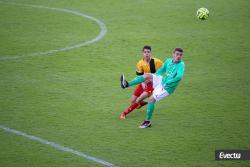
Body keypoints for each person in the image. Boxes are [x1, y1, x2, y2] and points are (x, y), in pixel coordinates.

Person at [120, 48, 185, 128]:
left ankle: (147, 122)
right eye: (177, 54)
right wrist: (153, 77)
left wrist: (168, 82)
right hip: (163, 81)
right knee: (147, 75)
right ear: (173, 54)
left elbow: (179, 77)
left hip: (167, 87)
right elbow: (161, 70)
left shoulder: (181, 65)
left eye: (180, 55)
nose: (178, 56)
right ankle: (126, 84)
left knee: (151, 99)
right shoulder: (168, 61)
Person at [120, 45, 163, 120]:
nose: (147, 54)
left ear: (151, 53)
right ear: (142, 53)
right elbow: (139, 76)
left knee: (138, 99)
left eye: (148, 52)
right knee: (132, 100)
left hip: (152, 85)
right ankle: (143, 103)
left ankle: (124, 113)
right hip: (143, 83)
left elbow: (164, 69)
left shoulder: (157, 62)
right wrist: (143, 83)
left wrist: (156, 77)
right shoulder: (140, 63)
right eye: (145, 52)